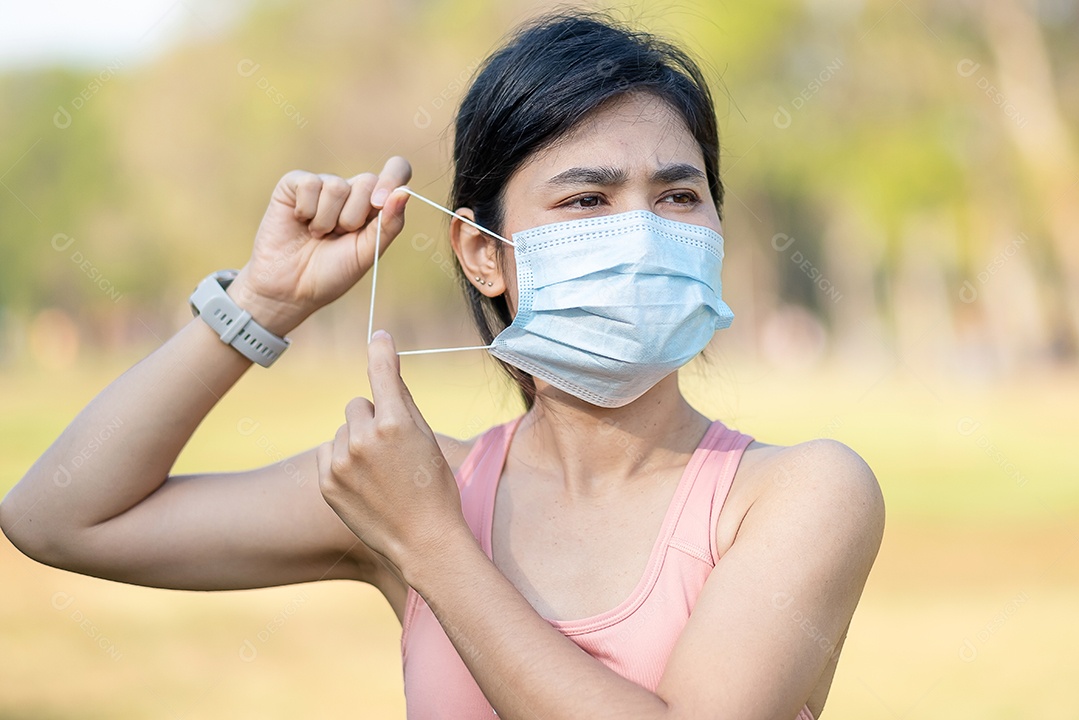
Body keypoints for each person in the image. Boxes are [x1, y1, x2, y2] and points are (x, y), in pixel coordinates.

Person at [0, 11, 884, 720]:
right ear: (482, 253)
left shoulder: (799, 494)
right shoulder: (420, 484)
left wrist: (429, 545)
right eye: (588, 198)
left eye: (679, 194)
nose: (644, 231)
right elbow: (59, 518)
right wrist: (265, 304)